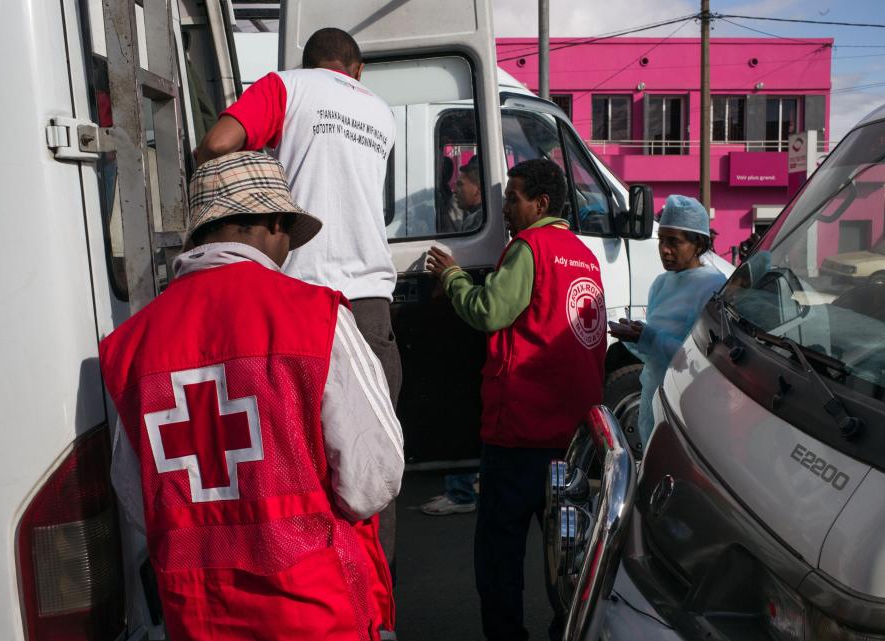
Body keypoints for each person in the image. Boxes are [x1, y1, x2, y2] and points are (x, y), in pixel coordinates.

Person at [99, 152, 404, 641]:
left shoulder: (132, 345)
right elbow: (374, 480)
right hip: (312, 613)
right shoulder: (316, 317)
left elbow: (136, 497)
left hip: (197, 618)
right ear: (273, 222)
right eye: (288, 235)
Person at [194, 27, 403, 583]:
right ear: (355, 70)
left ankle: (302, 590)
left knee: (294, 465)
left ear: (306, 63)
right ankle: (376, 599)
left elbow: (217, 144)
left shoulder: (285, 86)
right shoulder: (381, 114)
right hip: (370, 305)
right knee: (373, 468)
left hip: (297, 298)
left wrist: (229, 200)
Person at [426, 159, 607, 641]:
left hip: (520, 431)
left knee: (500, 553)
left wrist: (452, 278)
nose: (504, 208)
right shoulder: (582, 254)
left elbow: (489, 311)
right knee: (564, 555)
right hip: (570, 438)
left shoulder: (529, 248)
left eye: (513, 198)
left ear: (540, 205)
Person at [610, 195, 727, 446]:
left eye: (674, 241)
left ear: (699, 244)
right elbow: (654, 355)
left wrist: (646, 337)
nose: (664, 249)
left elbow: (699, 359)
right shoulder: (661, 284)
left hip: (688, 402)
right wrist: (635, 338)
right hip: (654, 396)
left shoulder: (712, 287)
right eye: (661, 240)